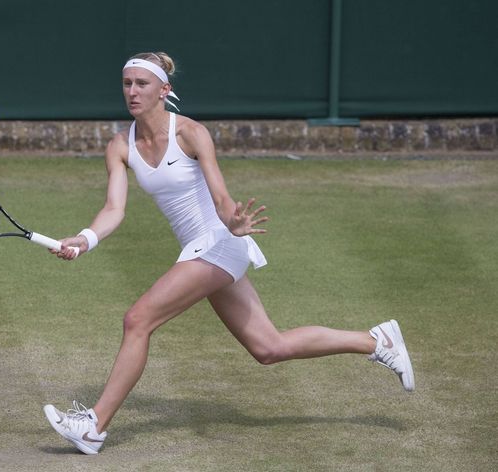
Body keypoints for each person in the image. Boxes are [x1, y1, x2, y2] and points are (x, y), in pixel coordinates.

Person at [43, 52, 414, 455]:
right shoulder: (120, 146)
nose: (132, 91)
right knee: (268, 348)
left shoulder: (191, 134)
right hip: (198, 248)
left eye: (141, 84)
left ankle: (94, 426)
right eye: (126, 83)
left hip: (221, 241)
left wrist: (233, 223)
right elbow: (114, 209)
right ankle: (376, 341)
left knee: (138, 319)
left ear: (164, 90)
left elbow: (221, 197)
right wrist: (85, 238)